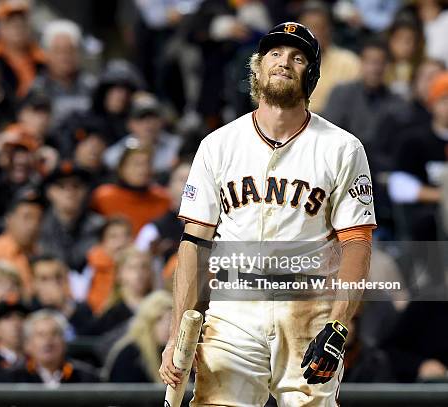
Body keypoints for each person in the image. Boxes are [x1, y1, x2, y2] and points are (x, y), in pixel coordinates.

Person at [159, 22, 375, 406]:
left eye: (297, 57)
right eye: (274, 54)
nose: (284, 62)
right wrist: (179, 329)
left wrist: (339, 325)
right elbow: (194, 242)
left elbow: (357, 242)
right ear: (256, 68)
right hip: (233, 311)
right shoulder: (218, 145)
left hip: (309, 311)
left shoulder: (343, 148)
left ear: (311, 76)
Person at [388, 71, 448, 240]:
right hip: (428, 221)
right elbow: (398, 186)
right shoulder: (414, 140)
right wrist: (443, 196)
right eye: (444, 99)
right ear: (432, 104)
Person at [322, 38, 403, 149]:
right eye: (370, 62)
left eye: (380, 63)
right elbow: (329, 133)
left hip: (381, 163)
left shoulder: (397, 102)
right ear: (361, 63)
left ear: (388, 66)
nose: (375, 69)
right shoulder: (341, 93)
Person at [27, 19, 96, 128]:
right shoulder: (36, 89)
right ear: (46, 54)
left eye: (70, 50)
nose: (64, 57)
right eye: (58, 51)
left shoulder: (93, 87)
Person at [91, 146, 171, 235]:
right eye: (137, 164)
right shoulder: (102, 196)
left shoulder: (163, 199)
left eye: (147, 164)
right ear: (122, 168)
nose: (143, 170)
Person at [39, 162, 103, 271]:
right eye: (62, 186)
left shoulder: (101, 227)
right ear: (49, 192)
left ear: (85, 190)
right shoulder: (38, 227)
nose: (70, 192)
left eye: (76, 185)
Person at [298, 1, 361, 113]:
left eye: (319, 27)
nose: (314, 33)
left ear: (329, 29)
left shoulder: (349, 62)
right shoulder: (286, 63)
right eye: (308, 28)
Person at [103, 93, 182, 174]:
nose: (148, 123)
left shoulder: (178, 146)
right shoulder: (116, 154)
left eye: (153, 117)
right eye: (141, 117)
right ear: (130, 124)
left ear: (162, 121)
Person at [104, 290, 172, 383]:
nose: (167, 326)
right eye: (159, 319)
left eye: (171, 319)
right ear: (147, 322)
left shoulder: (169, 352)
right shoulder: (130, 355)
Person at [86, 246, 154, 335]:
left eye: (143, 267)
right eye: (132, 267)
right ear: (119, 274)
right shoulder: (111, 314)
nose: (138, 273)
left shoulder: (159, 309)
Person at [22, 310, 99, 384]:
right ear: (28, 344)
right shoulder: (14, 379)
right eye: (41, 335)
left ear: (64, 341)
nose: (48, 340)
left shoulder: (86, 378)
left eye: (54, 333)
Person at [30, 255, 93, 336]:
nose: (52, 284)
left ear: (67, 280)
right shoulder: (27, 311)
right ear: (34, 283)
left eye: (58, 277)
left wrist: (63, 307)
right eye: (44, 279)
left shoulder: (83, 311)